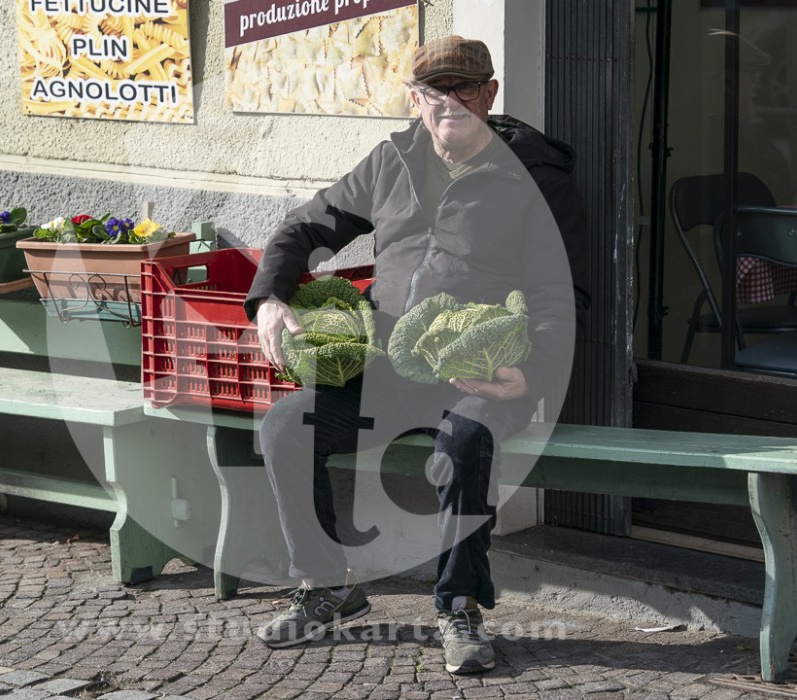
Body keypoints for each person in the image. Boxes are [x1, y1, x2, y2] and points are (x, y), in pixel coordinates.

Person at [242, 35, 590, 674]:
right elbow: (304, 226)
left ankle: (459, 606)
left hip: (479, 374)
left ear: (490, 94)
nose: (450, 102)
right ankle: (326, 587)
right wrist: (270, 298)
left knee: (464, 442)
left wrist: (532, 373)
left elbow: (561, 294)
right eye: (435, 90)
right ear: (415, 98)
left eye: (465, 89)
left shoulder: (537, 180)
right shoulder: (392, 161)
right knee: (287, 425)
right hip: (388, 372)